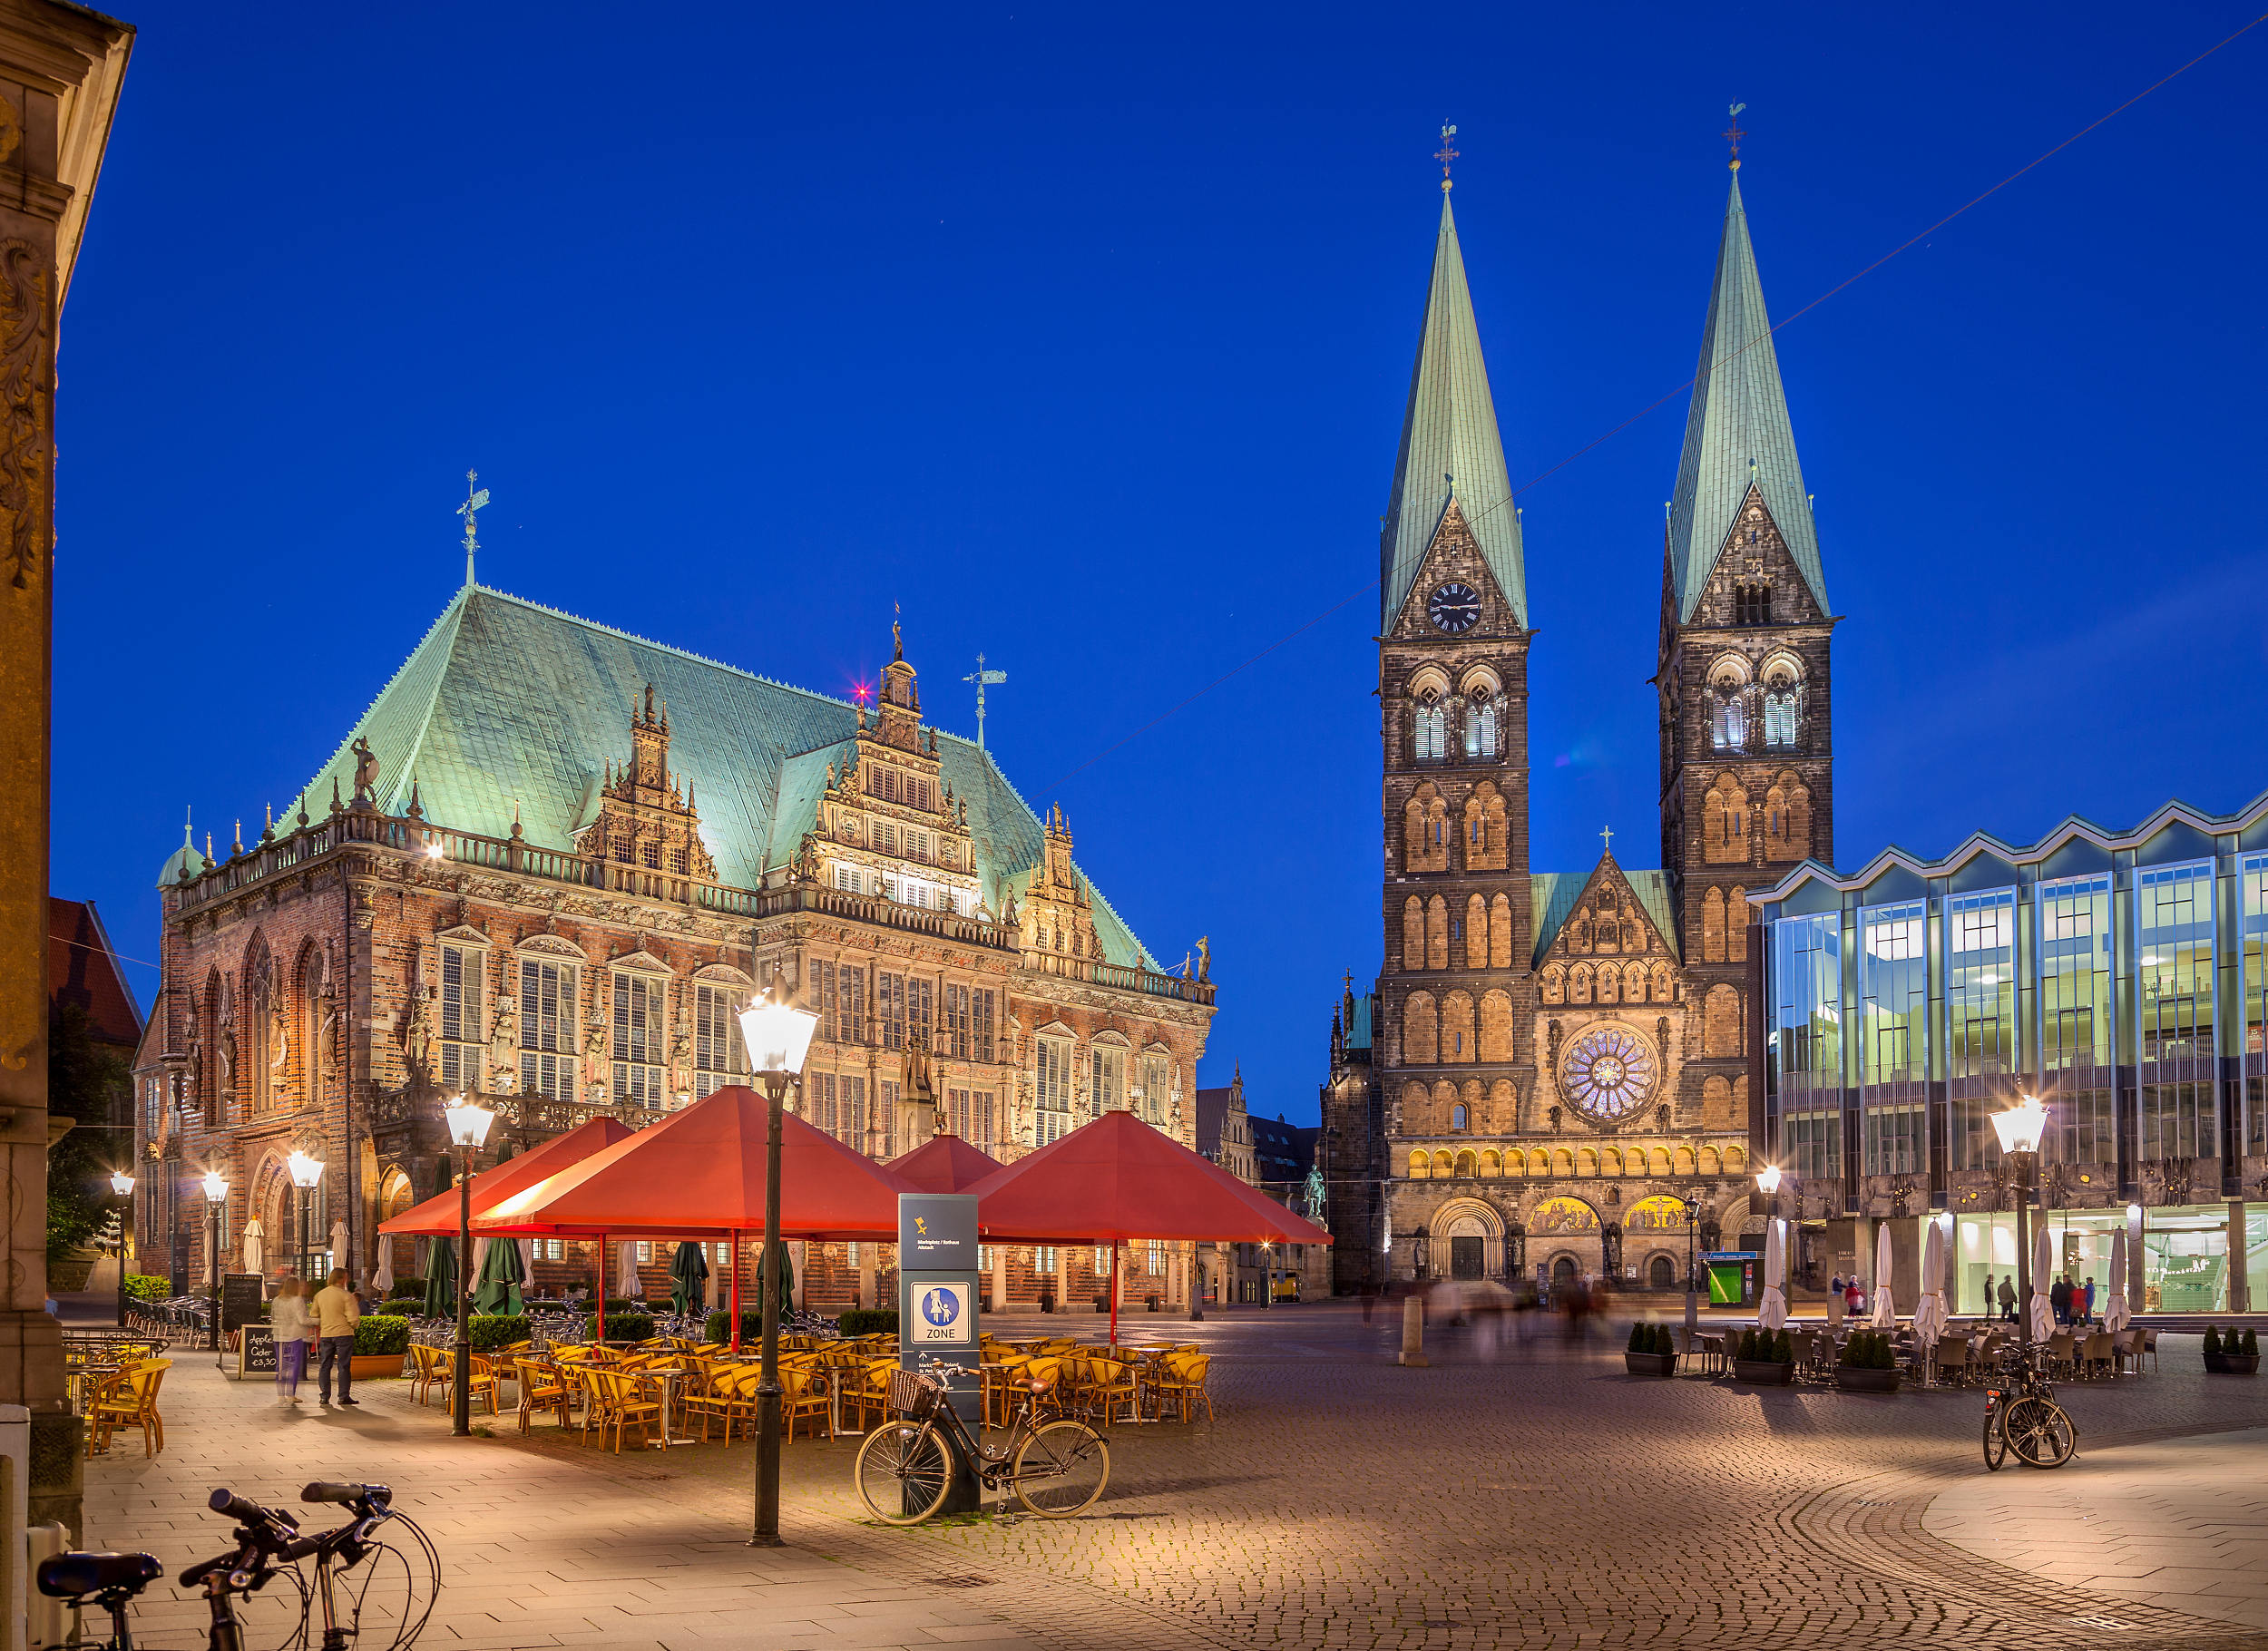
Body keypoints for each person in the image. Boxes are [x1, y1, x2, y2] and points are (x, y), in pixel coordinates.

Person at [310, 1267, 362, 1406]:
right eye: (346, 1277)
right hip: (344, 1333)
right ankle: (343, 1396)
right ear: (341, 1278)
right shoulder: (346, 1296)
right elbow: (353, 1318)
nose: (347, 1280)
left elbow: (314, 1315)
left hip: (327, 1334)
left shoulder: (320, 1295)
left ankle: (324, 1396)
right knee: (344, 1366)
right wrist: (353, 1326)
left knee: (325, 1365)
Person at [271, 1276, 312, 1406]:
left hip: (279, 1335)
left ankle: (280, 1396)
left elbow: (273, 1317)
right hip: (294, 1336)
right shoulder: (297, 1300)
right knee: (294, 1366)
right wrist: (318, 1321)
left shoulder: (276, 1300)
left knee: (281, 1365)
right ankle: (290, 1395)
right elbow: (303, 1320)